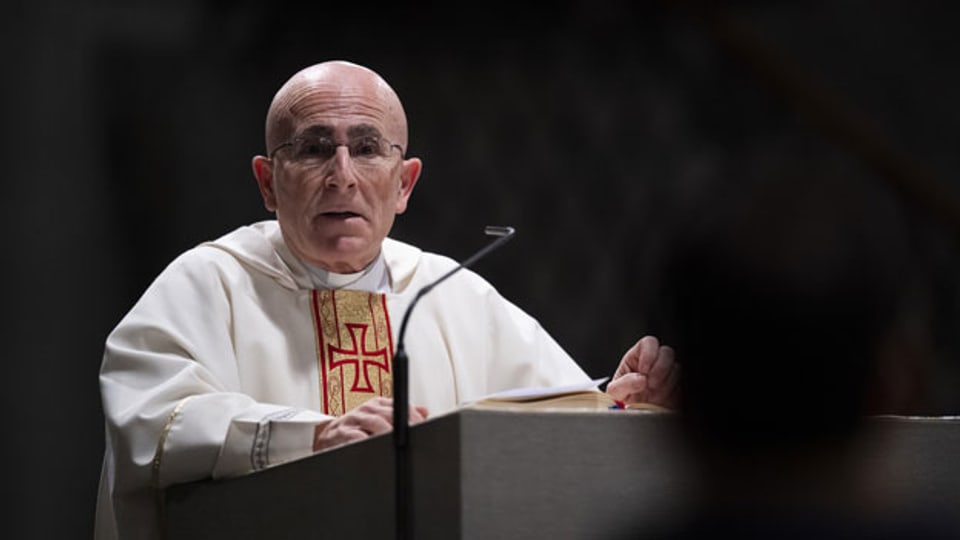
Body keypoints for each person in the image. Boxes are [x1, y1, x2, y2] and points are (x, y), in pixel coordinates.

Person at [95, 60, 679, 540]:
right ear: (268, 183)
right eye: (314, 147)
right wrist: (317, 437)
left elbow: (537, 423)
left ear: (404, 184)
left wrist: (618, 405)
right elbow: (152, 425)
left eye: (368, 148)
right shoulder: (209, 283)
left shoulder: (448, 291)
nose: (342, 175)